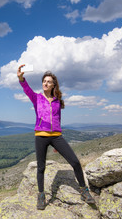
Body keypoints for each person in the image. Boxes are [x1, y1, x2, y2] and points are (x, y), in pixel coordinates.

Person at [17, 64, 95, 210]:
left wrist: (58, 143)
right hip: (40, 136)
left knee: (75, 163)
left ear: (53, 85)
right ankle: (41, 195)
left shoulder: (58, 101)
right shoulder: (37, 98)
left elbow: (58, 119)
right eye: (44, 81)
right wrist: (21, 78)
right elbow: (26, 89)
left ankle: (84, 191)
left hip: (56, 137)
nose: (45, 83)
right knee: (41, 167)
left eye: (49, 82)